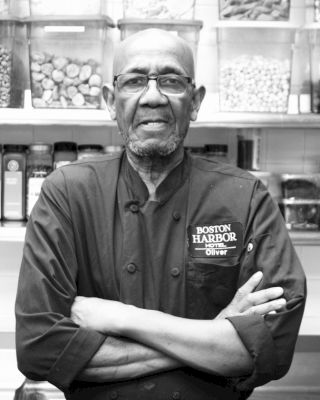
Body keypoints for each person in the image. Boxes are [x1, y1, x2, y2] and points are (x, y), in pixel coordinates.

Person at [15, 29, 306, 400]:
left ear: (195, 101)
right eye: (135, 81)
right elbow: (39, 348)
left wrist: (123, 318)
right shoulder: (67, 193)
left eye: (171, 81)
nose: (153, 96)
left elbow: (272, 345)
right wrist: (214, 335)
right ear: (110, 100)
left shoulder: (245, 197)